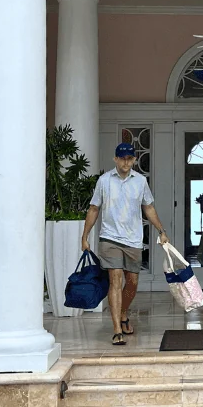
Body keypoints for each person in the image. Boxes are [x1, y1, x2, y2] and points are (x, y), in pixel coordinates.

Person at [81, 143, 170, 345]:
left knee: (132, 282)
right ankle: (116, 330)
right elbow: (94, 208)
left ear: (134, 160)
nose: (126, 162)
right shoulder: (104, 181)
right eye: (122, 158)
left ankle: (123, 312)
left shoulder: (140, 181)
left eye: (130, 158)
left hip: (133, 239)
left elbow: (148, 207)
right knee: (115, 279)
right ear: (115, 159)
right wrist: (85, 236)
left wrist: (161, 231)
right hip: (110, 238)